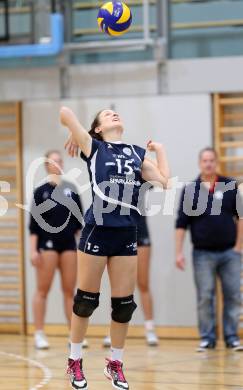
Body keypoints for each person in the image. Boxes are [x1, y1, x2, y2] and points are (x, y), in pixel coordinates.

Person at [60, 107, 170, 390]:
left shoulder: (136, 152)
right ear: (97, 128)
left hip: (126, 232)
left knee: (123, 307)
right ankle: (74, 361)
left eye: (116, 113)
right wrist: (77, 133)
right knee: (86, 301)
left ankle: (115, 364)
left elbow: (163, 182)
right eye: (107, 115)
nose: (114, 115)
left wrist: (160, 150)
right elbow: (64, 112)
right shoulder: (94, 146)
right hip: (98, 227)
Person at [175, 147, 243, 352]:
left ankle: (231, 337)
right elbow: (181, 224)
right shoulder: (190, 190)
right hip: (202, 253)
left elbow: (240, 217)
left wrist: (239, 246)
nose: (208, 163)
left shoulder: (231, 185)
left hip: (230, 252)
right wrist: (178, 252)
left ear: (217, 162)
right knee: (205, 295)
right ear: (199, 163)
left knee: (233, 294)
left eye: (212, 160)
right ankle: (207, 337)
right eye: (205, 160)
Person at [29, 150, 86, 349]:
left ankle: (74, 335)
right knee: (42, 290)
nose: (58, 164)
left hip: (69, 245)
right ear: (47, 165)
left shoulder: (72, 190)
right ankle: (39, 333)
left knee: (70, 291)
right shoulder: (40, 191)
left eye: (60, 161)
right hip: (48, 246)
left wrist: (84, 249)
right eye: (54, 161)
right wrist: (33, 251)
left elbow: (79, 224)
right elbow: (33, 227)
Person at [103, 210, 159, 348]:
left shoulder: (140, 187)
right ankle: (113, 331)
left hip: (140, 234)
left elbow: (163, 186)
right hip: (118, 234)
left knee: (143, 283)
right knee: (118, 287)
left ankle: (150, 328)